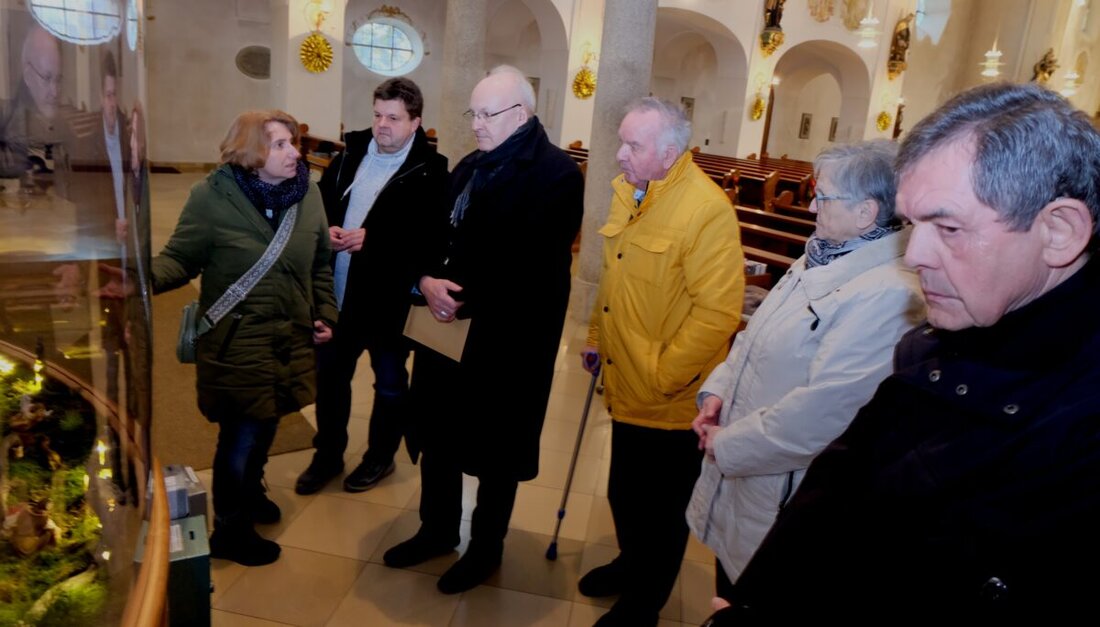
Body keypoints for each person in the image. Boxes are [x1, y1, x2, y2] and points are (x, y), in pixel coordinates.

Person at [708, 82, 1100, 619]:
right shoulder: (935, 343)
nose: (914, 255)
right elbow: (837, 488)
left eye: (949, 226)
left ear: (1058, 231)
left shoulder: (1081, 420)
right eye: (914, 223)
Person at [685, 140, 924, 604]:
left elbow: (824, 413)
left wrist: (727, 443)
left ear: (865, 212)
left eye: (824, 195)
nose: (811, 203)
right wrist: (717, 392)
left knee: (753, 596)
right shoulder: (824, 255)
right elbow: (757, 338)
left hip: (784, 491)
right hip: (752, 472)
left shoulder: (888, 293)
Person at [381, 65, 583, 594]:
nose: (475, 124)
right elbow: (434, 234)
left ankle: (484, 550)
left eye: (485, 114)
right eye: (473, 112)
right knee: (438, 434)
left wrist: (459, 300)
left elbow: (533, 271)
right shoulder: (470, 164)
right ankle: (437, 529)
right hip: (445, 332)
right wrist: (425, 280)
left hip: (506, 343)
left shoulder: (556, 175)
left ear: (520, 115)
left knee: (495, 451)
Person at [579, 97, 745, 627]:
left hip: (669, 399)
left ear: (669, 152)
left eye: (632, 145)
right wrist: (596, 335)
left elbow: (718, 312)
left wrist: (663, 375)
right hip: (625, 382)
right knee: (622, 493)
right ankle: (631, 565)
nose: (620, 155)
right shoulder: (628, 193)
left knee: (661, 511)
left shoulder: (706, 209)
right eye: (622, 141)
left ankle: (643, 603)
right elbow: (613, 276)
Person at [151, 110, 337, 566]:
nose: (296, 152)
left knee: (267, 424)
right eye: (281, 145)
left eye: (292, 142)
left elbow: (319, 263)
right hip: (237, 342)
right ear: (252, 153)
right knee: (239, 436)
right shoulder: (211, 198)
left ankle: (251, 494)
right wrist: (135, 278)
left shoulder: (307, 194)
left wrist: (326, 312)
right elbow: (178, 258)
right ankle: (230, 529)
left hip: (288, 340)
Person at [294, 78, 449, 496]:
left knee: (391, 384)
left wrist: (373, 242)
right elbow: (322, 204)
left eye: (394, 118)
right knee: (330, 380)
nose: (383, 125)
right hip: (338, 295)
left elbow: (432, 241)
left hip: (387, 302)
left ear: (415, 122)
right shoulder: (352, 154)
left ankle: (379, 457)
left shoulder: (432, 172)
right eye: (378, 114)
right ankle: (327, 454)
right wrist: (326, 230)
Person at [0, 24, 70, 187]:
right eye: (46, 78)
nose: (55, 91)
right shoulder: (9, 128)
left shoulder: (64, 128)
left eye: (58, 79)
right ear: (28, 75)